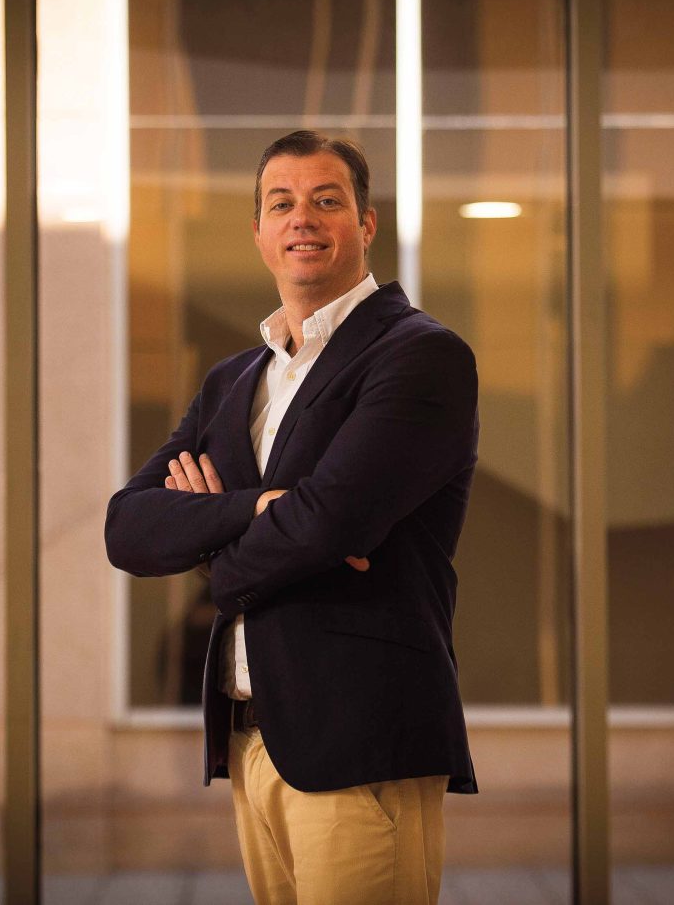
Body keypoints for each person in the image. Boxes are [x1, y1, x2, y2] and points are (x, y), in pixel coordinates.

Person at [105, 130, 479, 904]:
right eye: (281, 203)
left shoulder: (419, 356)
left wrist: (217, 554)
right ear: (259, 231)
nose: (301, 218)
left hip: (361, 737)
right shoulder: (235, 380)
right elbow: (129, 527)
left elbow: (331, 522)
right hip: (254, 738)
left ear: (366, 224)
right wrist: (259, 508)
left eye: (325, 200)